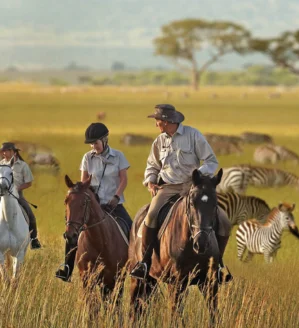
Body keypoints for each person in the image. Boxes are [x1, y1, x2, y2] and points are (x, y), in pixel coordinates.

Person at [130, 104, 233, 282]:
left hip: (192, 186)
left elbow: (211, 160)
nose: (156, 125)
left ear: (168, 121)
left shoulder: (193, 135)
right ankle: (145, 263)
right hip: (168, 187)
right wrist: (151, 181)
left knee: (223, 221)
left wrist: (199, 176)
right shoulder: (159, 141)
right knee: (151, 216)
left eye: (158, 120)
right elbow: (152, 166)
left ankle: (218, 265)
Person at [55, 122, 132, 282]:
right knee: (73, 233)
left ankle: (136, 265)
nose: (93, 146)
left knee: (131, 229)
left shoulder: (118, 156)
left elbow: (123, 180)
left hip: (114, 205)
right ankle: (67, 268)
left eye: (95, 143)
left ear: (105, 140)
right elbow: (84, 182)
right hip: (93, 205)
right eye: (91, 143)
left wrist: (116, 197)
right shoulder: (87, 158)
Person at [0, 142, 42, 249]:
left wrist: (16, 189)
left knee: (31, 216)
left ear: (13, 152)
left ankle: (34, 240)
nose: (4, 153)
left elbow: (29, 182)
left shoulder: (23, 165)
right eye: (3, 151)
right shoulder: (2, 163)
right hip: (2, 194)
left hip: (17, 195)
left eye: (6, 151)